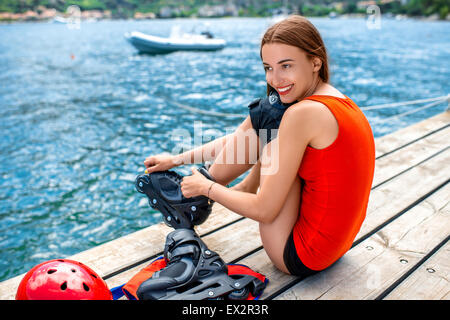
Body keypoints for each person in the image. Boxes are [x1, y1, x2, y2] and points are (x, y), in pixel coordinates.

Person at [144, 15, 375, 279]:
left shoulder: (303, 114)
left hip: (297, 254)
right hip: (337, 247)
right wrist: (176, 160)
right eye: (268, 67)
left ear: (315, 61)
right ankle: (203, 195)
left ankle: (195, 196)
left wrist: (208, 188)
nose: (275, 79)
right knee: (269, 114)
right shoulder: (337, 100)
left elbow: (265, 210)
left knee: (270, 121)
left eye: (286, 65)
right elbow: (243, 141)